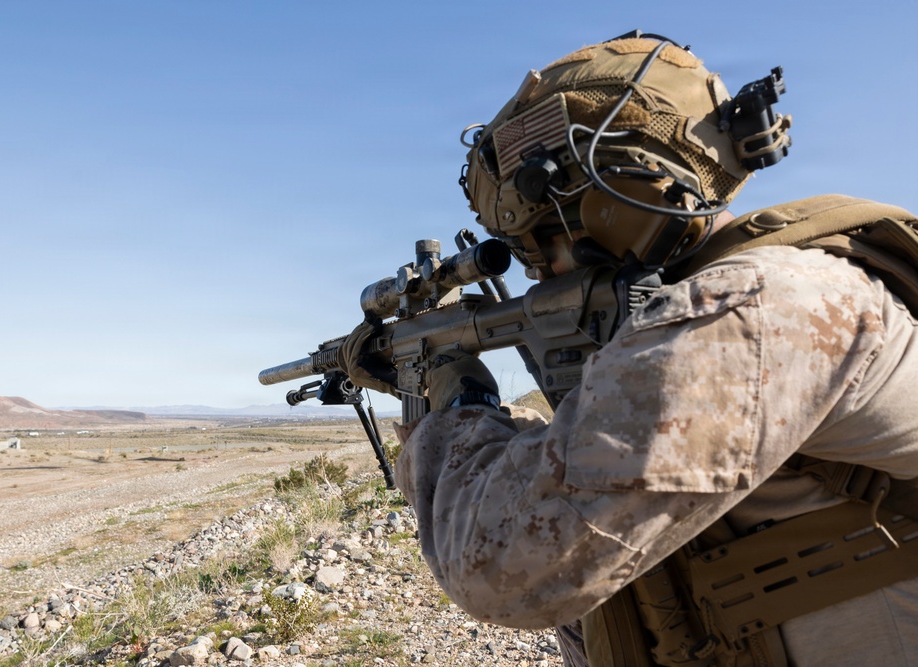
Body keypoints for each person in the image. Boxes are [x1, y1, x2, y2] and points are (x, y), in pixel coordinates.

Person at [343, 31, 918, 666]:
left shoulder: (756, 306)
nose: (535, 272)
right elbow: (604, 467)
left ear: (608, 201)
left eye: (538, 241)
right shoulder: (731, 299)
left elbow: (504, 567)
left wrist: (455, 408)